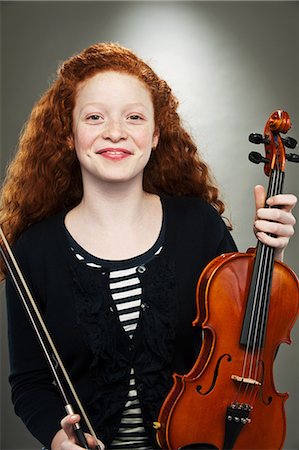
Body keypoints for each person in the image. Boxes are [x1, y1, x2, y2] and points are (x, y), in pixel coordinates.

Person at [0, 43, 296, 450]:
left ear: (155, 134)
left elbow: (247, 348)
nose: (115, 132)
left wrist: (270, 260)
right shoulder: (33, 251)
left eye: (134, 117)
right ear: (68, 136)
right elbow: (29, 383)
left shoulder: (199, 224)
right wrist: (57, 439)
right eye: (94, 117)